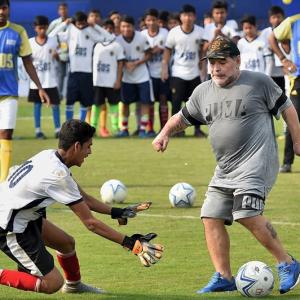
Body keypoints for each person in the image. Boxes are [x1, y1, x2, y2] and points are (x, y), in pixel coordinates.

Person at [152, 36, 300, 295]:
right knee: (210, 217)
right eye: (212, 62)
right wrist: (164, 133)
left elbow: (288, 109)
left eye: (222, 62)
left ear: (237, 61)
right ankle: (224, 276)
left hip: (257, 163)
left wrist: (297, 142)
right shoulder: (203, 91)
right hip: (225, 170)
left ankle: (287, 263)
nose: (216, 68)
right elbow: (182, 118)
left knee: (246, 213)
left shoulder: (259, 82)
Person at [0, 119, 164, 294]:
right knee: (52, 283)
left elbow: (84, 198)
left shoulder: (49, 156)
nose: (90, 152)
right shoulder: (57, 174)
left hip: (22, 215)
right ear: (77, 146)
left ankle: (74, 286)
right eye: (88, 146)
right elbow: (90, 223)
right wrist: (132, 244)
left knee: (66, 243)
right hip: (9, 225)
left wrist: (117, 211)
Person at [0, 0, 50, 182]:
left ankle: (2, 181)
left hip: (8, 93)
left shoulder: (18, 32)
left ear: (8, 9)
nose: (1, 11)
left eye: (4, 7)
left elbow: (28, 62)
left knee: (6, 133)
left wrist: (40, 87)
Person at [48, 11, 113, 122]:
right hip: (73, 73)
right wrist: (64, 24)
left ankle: (81, 125)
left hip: (87, 73)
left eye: (83, 23)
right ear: (75, 22)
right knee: (70, 102)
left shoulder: (90, 31)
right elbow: (51, 36)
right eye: (79, 23)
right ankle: (68, 124)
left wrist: (95, 26)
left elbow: (109, 38)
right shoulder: (70, 30)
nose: (81, 25)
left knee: (86, 102)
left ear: (86, 22)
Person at [161, 4, 206, 137]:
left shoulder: (200, 31)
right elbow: (168, 51)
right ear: (181, 17)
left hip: (194, 73)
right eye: (185, 15)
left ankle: (197, 129)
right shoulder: (174, 32)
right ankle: (177, 131)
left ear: (194, 17)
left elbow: (202, 51)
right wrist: (164, 68)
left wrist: (202, 69)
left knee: (196, 103)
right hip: (178, 73)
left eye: (190, 15)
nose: (188, 18)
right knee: (176, 103)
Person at [269, 14, 300, 173]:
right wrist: (283, 59)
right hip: (298, 79)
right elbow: (272, 38)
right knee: (292, 119)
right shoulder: (293, 22)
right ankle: (287, 162)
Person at [116, 15, 152, 138]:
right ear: (120, 27)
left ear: (133, 27)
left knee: (145, 103)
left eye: (129, 26)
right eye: (123, 26)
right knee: (125, 103)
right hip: (126, 77)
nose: (126, 29)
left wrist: (136, 63)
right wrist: (126, 63)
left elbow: (149, 54)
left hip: (142, 76)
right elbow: (115, 58)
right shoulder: (117, 40)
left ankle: (143, 129)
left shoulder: (141, 37)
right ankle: (124, 129)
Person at [28, 15, 61, 139]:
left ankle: (58, 129)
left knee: (55, 105)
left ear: (47, 27)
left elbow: (59, 56)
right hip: (36, 82)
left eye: (44, 28)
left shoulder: (53, 40)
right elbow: (27, 60)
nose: (42, 30)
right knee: (37, 106)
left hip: (50, 80)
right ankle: (38, 131)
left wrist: (56, 55)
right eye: (39, 28)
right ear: (35, 28)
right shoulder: (30, 42)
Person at [91, 19, 124, 136]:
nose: (108, 30)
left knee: (114, 105)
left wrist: (118, 80)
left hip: (112, 82)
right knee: (96, 105)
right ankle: (92, 129)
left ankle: (116, 129)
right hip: (98, 82)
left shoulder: (117, 45)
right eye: (106, 28)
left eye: (111, 28)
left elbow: (121, 64)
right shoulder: (96, 44)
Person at [142, 8, 169, 132]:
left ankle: (164, 128)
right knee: (151, 101)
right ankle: (150, 128)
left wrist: (162, 49)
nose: (151, 22)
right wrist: (151, 51)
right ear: (145, 22)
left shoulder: (165, 33)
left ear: (158, 21)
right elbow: (141, 53)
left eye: (154, 20)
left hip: (162, 73)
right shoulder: (142, 35)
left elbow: (170, 49)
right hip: (148, 74)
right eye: (149, 20)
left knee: (163, 99)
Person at [47, 2, 69, 100]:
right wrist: (52, 50)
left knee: (71, 75)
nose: (63, 11)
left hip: (71, 52)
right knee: (60, 74)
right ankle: (58, 95)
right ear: (58, 11)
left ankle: (70, 95)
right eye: (61, 9)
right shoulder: (55, 23)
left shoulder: (72, 22)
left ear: (67, 10)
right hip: (59, 53)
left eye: (65, 9)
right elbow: (48, 36)